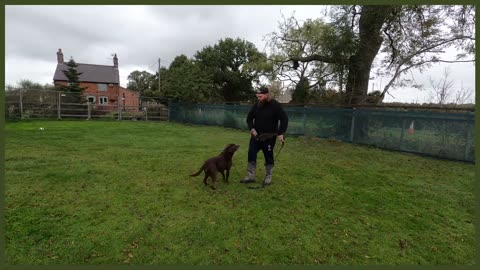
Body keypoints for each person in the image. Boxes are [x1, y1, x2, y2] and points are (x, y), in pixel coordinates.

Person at [240, 86, 288, 186]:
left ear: (266, 95)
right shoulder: (256, 105)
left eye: (260, 97)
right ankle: (250, 176)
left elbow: (284, 119)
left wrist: (280, 133)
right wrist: (252, 129)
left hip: (269, 137)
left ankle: (268, 177)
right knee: (251, 153)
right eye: (257, 97)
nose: (258, 99)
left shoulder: (275, 106)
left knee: (268, 156)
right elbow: (249, 118)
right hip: (256, 136)